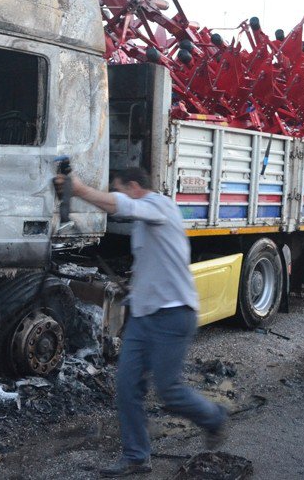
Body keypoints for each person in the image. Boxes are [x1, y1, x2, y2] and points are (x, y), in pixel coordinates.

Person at [56, 166, 227, 477]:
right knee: (126, 388)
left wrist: (79, 190)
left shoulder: (160, 206)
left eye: (119, 189)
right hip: (144, 316)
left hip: (174, 315)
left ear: (134, 187)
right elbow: (154, 265)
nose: (117, 197)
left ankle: (213, 417)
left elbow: (123, 205)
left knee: (169, 390)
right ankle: (136, 457)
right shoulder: (143, 225)